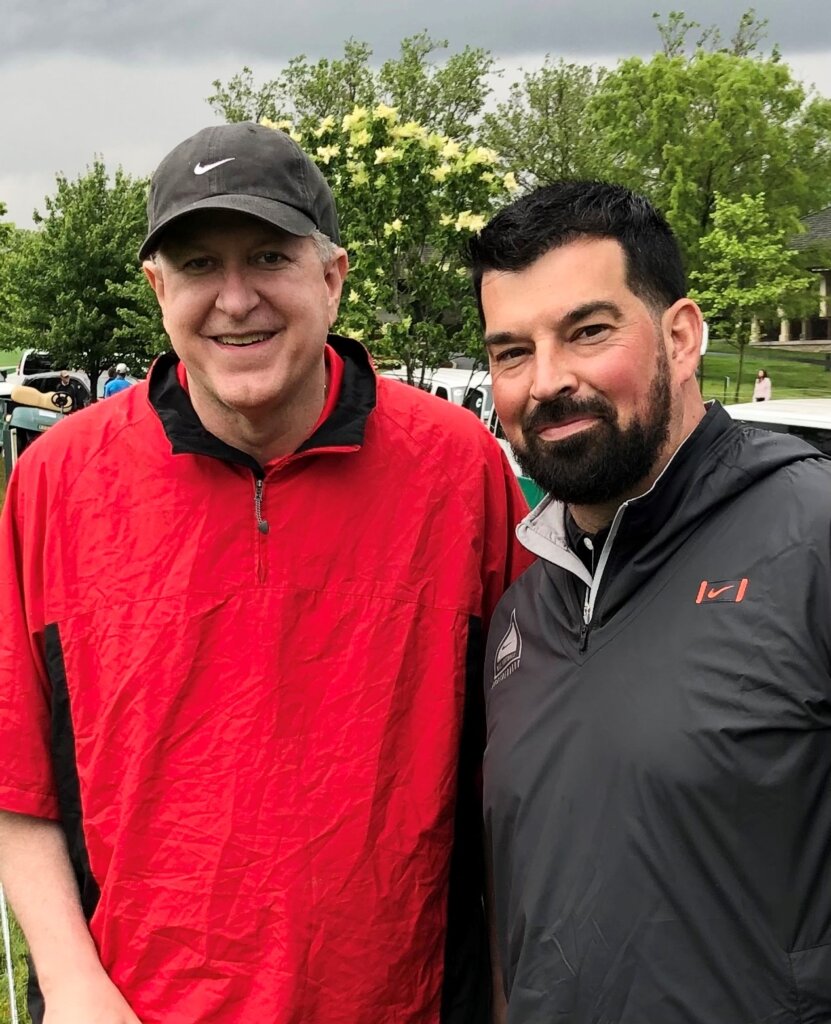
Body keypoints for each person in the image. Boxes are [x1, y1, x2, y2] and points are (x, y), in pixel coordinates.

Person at [0, 122, 532, 1024]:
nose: (234, 298)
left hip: (404, 1003)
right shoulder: (56, 480)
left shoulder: (458, 469)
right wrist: (75, 982)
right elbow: (16, 773)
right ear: (158, 288)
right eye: (200, 264)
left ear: (332, 277)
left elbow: (524, 773)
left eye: (270, 257)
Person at [467, 181, 831, 1023]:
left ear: (680, 337)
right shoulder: (525, 611)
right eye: (511, 351)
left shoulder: (811, 536)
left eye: (588, 332)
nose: (548, 380)